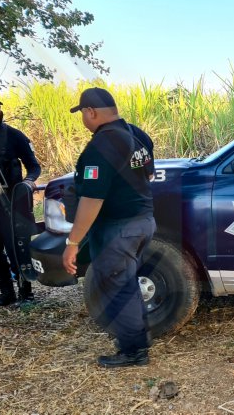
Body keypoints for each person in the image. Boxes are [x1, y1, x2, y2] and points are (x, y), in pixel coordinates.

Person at [62, 87, 155, 368]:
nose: (83, 120)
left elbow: (92, 199)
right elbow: (148, 172)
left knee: (117, 288)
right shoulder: (136, 136)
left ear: (90, 112)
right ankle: (138, 340)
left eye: (82, 114)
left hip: (119, 229)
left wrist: (72, 243)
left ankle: (133, 352)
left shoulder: (99, 147)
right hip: (143, 221)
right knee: (126, 283)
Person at [0, 90, 41, 307]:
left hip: (11, 203)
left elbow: (34, 166)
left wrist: (29, 182)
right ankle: (6, 292)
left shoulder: (14, 135)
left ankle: (26, 293)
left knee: (17, 248)